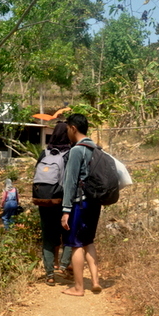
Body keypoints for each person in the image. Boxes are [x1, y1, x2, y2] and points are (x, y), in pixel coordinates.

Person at [61, 113, 103, 296]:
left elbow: (70, 182)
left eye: (67, 129)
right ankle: (95, 281)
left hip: (80, 203)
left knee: (75, 244)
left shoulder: (77, 150)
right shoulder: (97, 148)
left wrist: (66, 209)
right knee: (89, 241)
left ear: (73, 128)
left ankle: (79, 287)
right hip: (95, 202)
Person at [36, 122, 73, 286]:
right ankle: (64, 265)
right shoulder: (70, 154)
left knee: (48, 238)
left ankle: (49, 274)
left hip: (43, 200)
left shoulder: (44, 153)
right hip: (62, 200)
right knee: (69, 234)